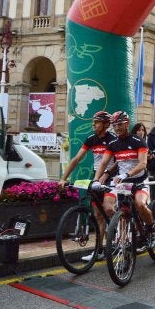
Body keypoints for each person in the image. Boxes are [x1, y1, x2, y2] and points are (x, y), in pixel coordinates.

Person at [93, 111, 155, 251]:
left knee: (140, 204)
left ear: (127, 124)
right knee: (112, 208)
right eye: (114, 125)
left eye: (120, 124)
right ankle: (123, 235)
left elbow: (142, 164)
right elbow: (103, 163)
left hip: (139, 180)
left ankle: (151, 230)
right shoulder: (113, 144)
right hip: (124, 184)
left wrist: (126, 174)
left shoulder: (138, 141)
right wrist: (97, 179)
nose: (117, 128)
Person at [58, 111, 116, 261]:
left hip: (112, 177)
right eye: (93, 122)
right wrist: (63, 178)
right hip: (97, 176)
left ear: (105, 124)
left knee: (109, 210)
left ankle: (119, 230)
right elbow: (77, 158)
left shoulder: (113, 139)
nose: (93, 125)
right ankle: (99, 250)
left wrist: (107, 174)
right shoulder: (91, 139)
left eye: (96, 122)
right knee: (97, 215)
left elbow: (119, 162)